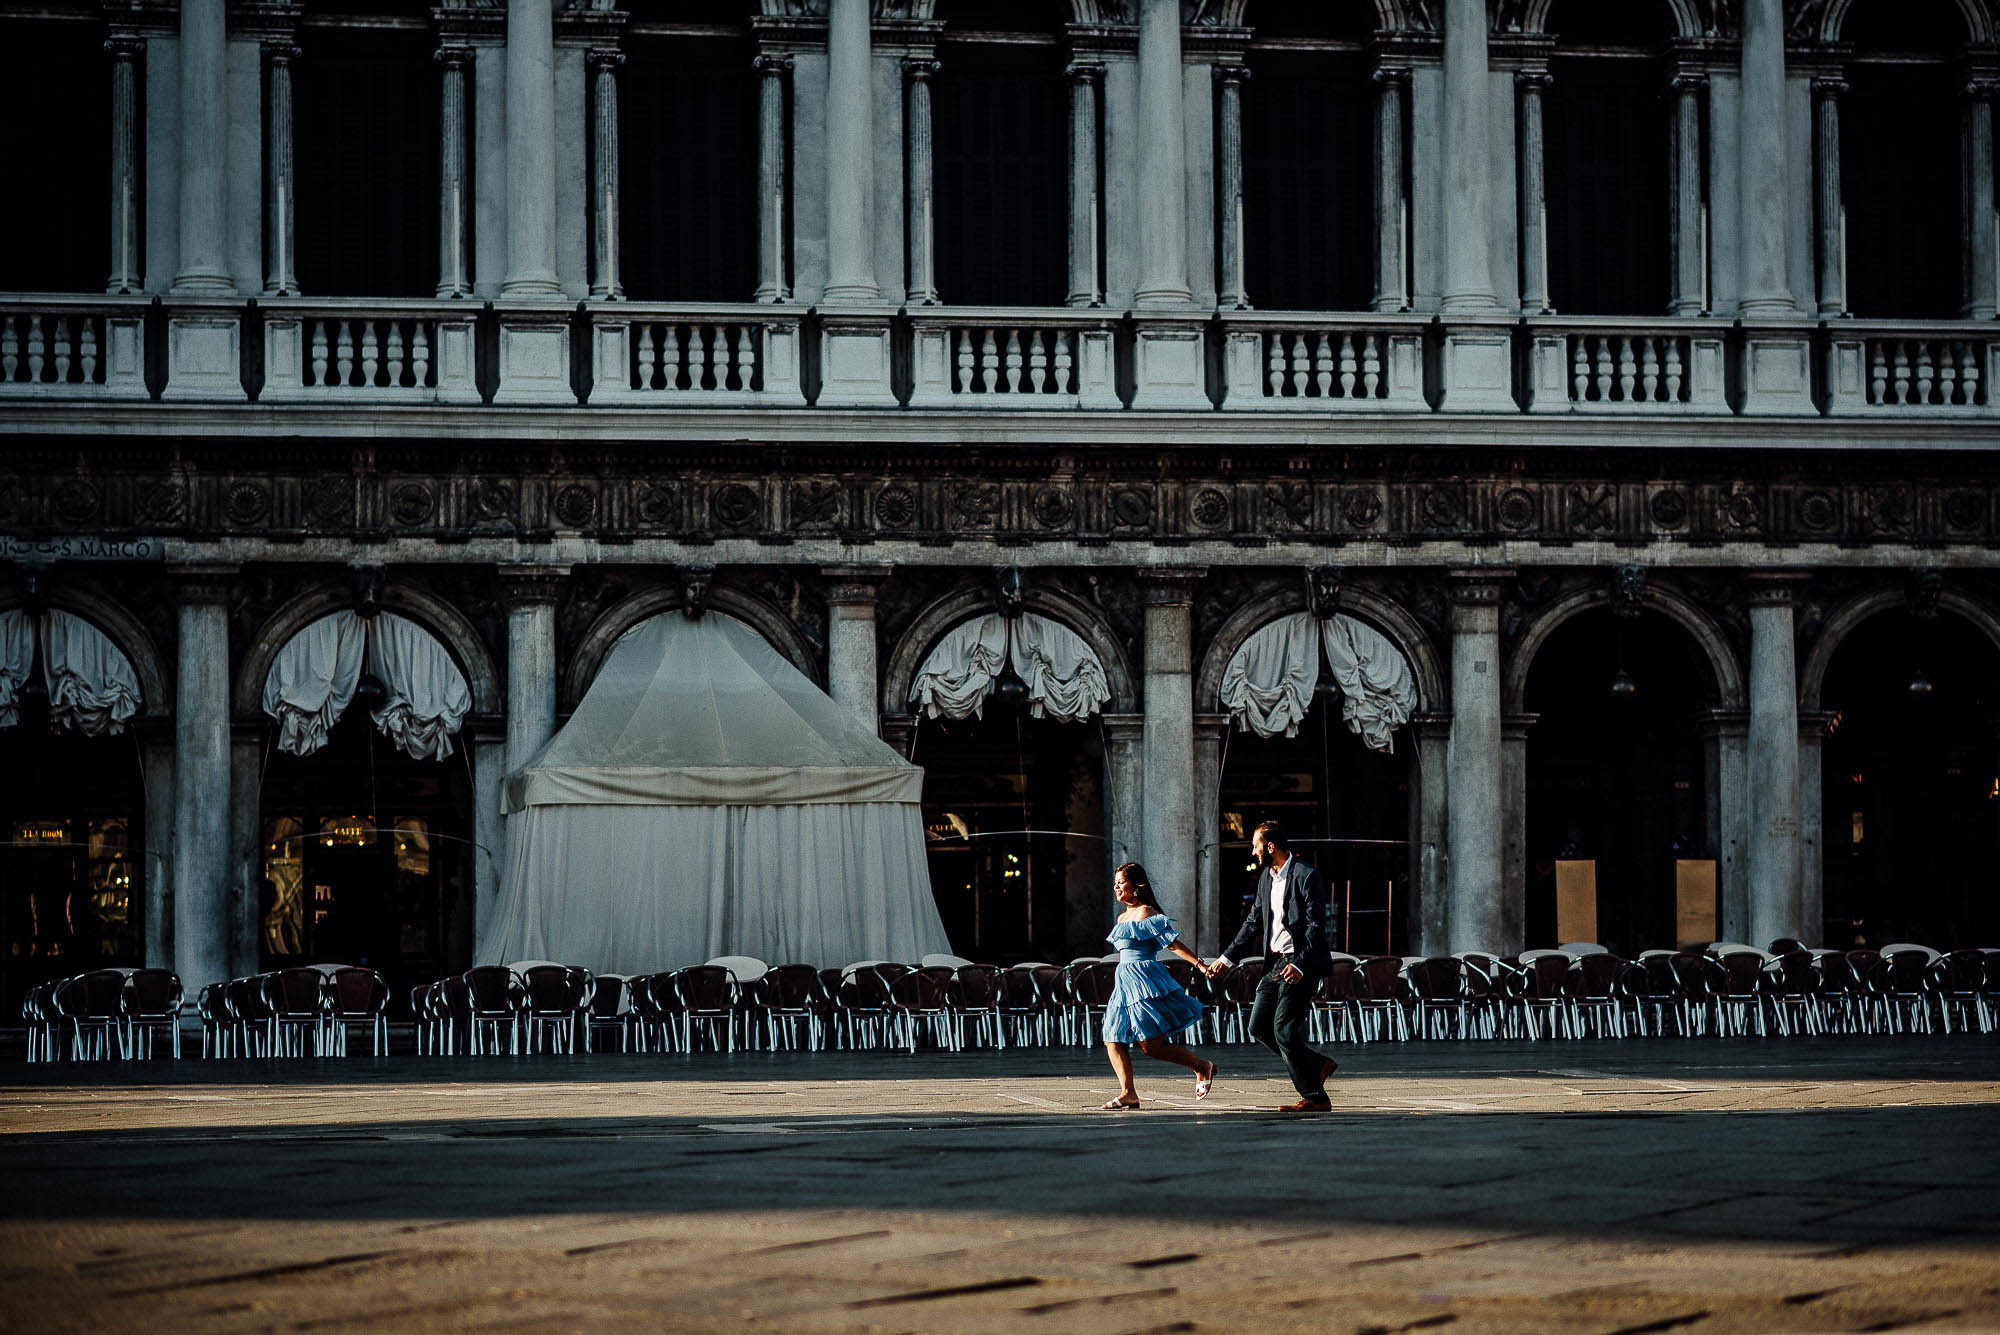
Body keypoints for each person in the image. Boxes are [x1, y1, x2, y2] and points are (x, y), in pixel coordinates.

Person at [1206, 819, 1339, 1112]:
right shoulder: (1267, 877)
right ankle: (1317, 1064)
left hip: (1300, 963)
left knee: (1284, 1030)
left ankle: (1315, 1097)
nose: (1253, 853)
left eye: (1255, 847)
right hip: (1274, 963)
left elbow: (1318, 926)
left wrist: (1302, 964)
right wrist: (1226, 959)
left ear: (1270, 846)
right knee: (1258, 1027)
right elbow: (1253, 922)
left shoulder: (1306, 875)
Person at [1098, 861, 1219, 1110]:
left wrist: (1199, 964)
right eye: (1115, 883)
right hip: (1123, 984)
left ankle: (1201, 1066)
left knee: (1150, 1046)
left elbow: (1173, 944)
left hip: (1144, 981)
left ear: (1136, 885)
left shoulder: (1148, 913)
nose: (1116, 887)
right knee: (1112, 1038)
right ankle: (1128, 1093)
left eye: (1121, 882)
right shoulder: (1121, 917)